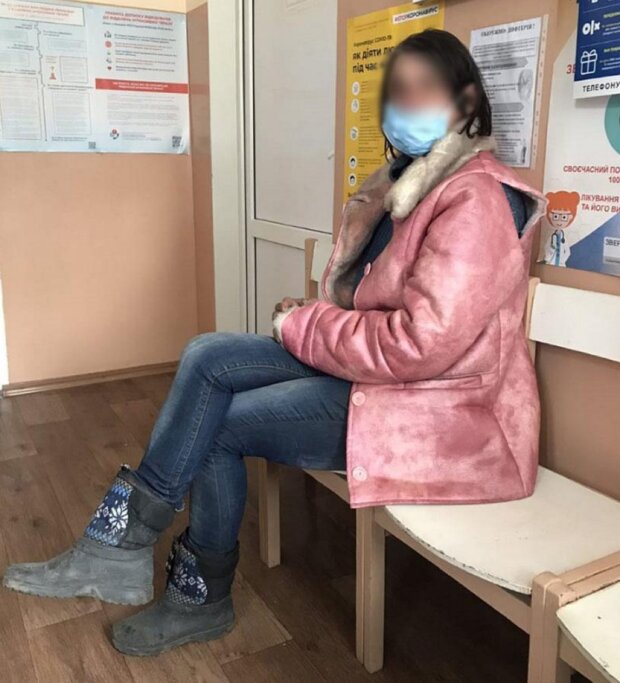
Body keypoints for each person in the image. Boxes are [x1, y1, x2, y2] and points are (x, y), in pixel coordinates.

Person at [2, 29, 546, 656]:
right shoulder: (410, 185)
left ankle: (199, 598)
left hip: (443, 416)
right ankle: (117, 547)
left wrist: (305, 325)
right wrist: (315, 313)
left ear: (467, 101)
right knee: (208, 353)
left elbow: (416, 345)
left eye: (426, 88)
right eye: (398, 89)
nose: (406, 103)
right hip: (380, 382)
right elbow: (373, 305)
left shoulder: (476, 200)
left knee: (219, 426)